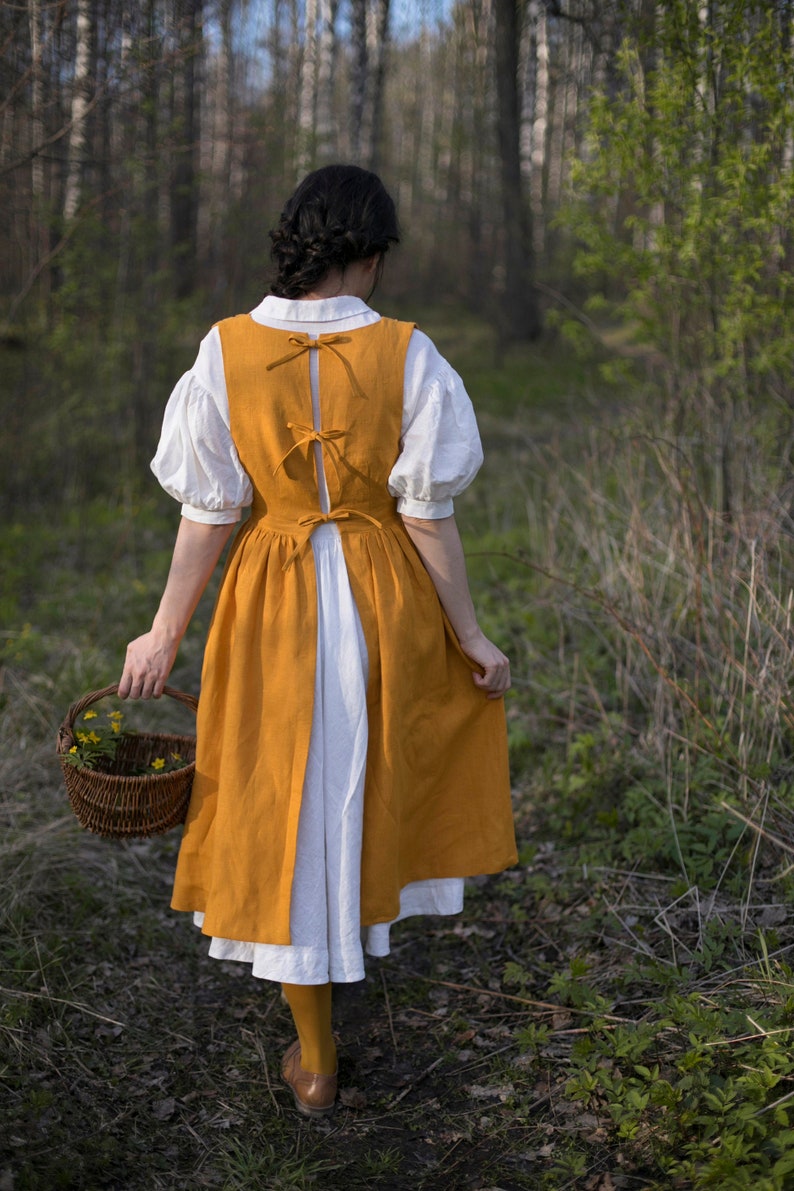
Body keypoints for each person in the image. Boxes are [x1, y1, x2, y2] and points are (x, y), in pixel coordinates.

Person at [119, 164, 517, 1118]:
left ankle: (315, 1053)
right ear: (370, 254)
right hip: (383, 594)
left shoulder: (222, 351)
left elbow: (210, 510)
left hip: (272, 598)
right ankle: (333, 1001)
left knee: (287, 799)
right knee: (361, 783)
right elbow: (426, 516)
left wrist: (166, 626)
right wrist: (469, 632)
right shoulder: (411, 354)